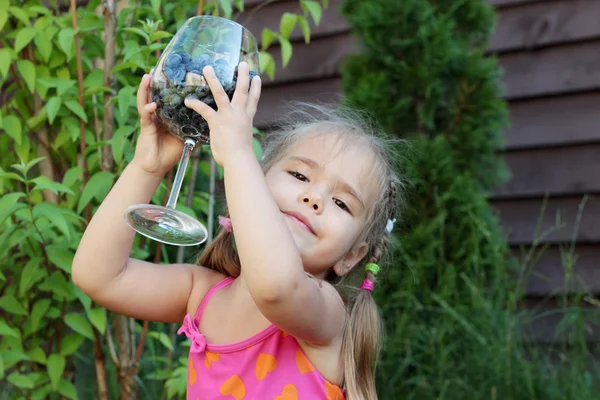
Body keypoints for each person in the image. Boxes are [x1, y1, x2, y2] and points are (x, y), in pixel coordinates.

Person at [72, 61, 403, 400]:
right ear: (253, 187)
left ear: (351, 257)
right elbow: (98, 276)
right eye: (300, 176)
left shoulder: (326, 317)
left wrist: (238, 156)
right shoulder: (203, 294)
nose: (313, 197)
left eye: (342, 203)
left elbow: (276, 287)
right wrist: (147, 167)